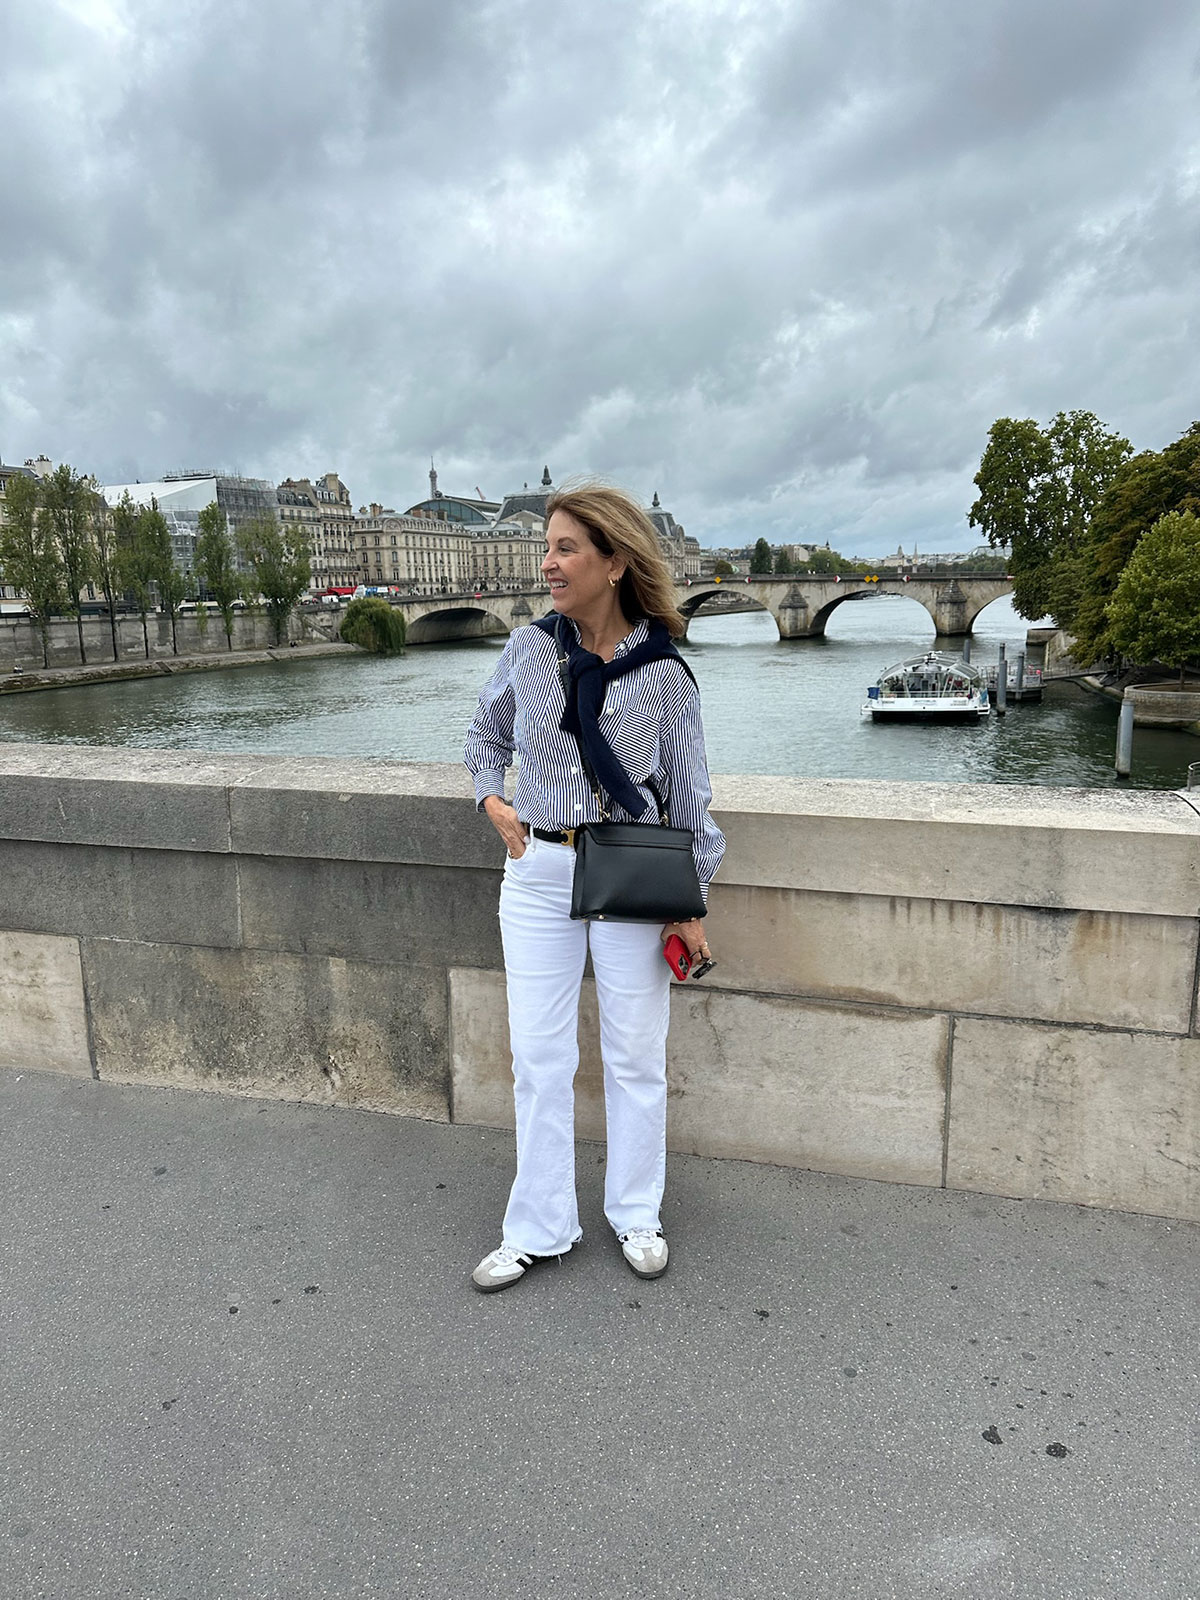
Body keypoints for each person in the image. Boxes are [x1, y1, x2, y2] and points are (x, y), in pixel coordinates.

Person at [463, 482, 725, 1293]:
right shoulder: (528, 650)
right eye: (547, 547)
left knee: (635, 1055)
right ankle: (538, 1225)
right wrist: (492, 798)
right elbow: (485, 733)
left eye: (566, 548)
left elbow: (689, 796)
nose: (547, 564)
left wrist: (691, 902)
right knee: (539, 1059)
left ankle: (635, 1212)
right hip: (538, 871)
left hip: (628, 871)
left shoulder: (666, 676)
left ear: (614, 563)